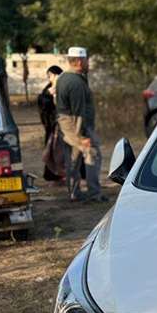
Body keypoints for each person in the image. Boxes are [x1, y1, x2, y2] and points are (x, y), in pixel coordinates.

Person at [55, 47, 107, 202]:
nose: (88, 63)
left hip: (66, 125)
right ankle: (94, 193)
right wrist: (82, 136)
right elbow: (78, 113)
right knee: (92, 154)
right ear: (78, 61)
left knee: (73, 160)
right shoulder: (75, 82)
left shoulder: (64, 77)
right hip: (75, 126)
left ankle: (74, 192)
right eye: (86, 60)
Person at [38, 65, 65, 182]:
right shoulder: (47, 90)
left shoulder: (64, 88)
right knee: (51, 151)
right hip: (52, 126)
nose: (51, 78)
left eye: (52, 76)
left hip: (64, 125)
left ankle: (63, 174)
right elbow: (43, 106)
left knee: (62, 152)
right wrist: (50, 96)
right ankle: (53, 175)